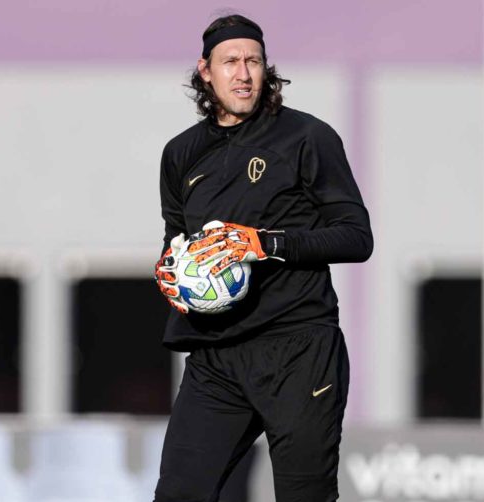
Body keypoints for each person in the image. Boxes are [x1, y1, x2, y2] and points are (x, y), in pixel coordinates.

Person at [153, 13, 373, 502]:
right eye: (230, 61)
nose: (244, 73)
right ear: (205, 70)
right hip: (216, 357)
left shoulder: (307, 138)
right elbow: (177, 240)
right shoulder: (180, 155)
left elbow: (357, 238)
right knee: (178, 495)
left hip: (298, 350)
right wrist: (170, 273)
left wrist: (264, 243)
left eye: (254, 60)